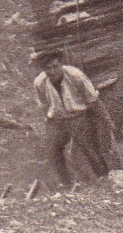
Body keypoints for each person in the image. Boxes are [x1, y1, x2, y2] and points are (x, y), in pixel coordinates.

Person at [33, 50, 113, 187]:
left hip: (78, 116)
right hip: (57, 119)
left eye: (55, 66)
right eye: (48, 68)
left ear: (61, 64)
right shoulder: (39, 82)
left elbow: (93, 100)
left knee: (89, 148)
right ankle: (66, 184)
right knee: (53, 150)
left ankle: (105, 180)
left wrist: (106, 120)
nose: (53, 71)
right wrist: (48, 122)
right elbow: (44, 105)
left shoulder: (75, 76)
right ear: (42, 69)